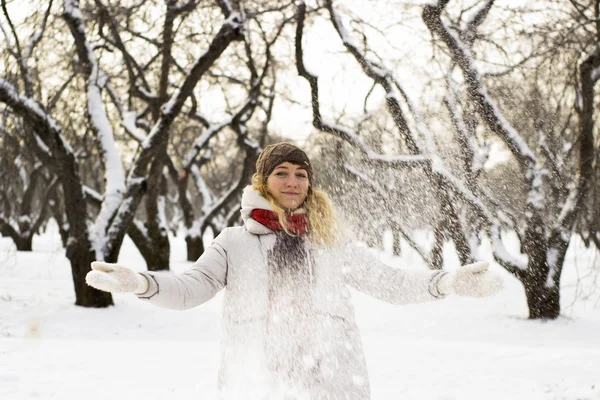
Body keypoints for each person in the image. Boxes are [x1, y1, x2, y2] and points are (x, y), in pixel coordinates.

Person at [86, 142, 503, 400]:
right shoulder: (234, 242)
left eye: (301, 174)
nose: (292, 181)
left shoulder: (329, 243)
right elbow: (190, 288)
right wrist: (140, 282)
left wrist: (447, 281)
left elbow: (390, 283)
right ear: (264, 182)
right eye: (281, 173)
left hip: (333, 382)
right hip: (259, 382)